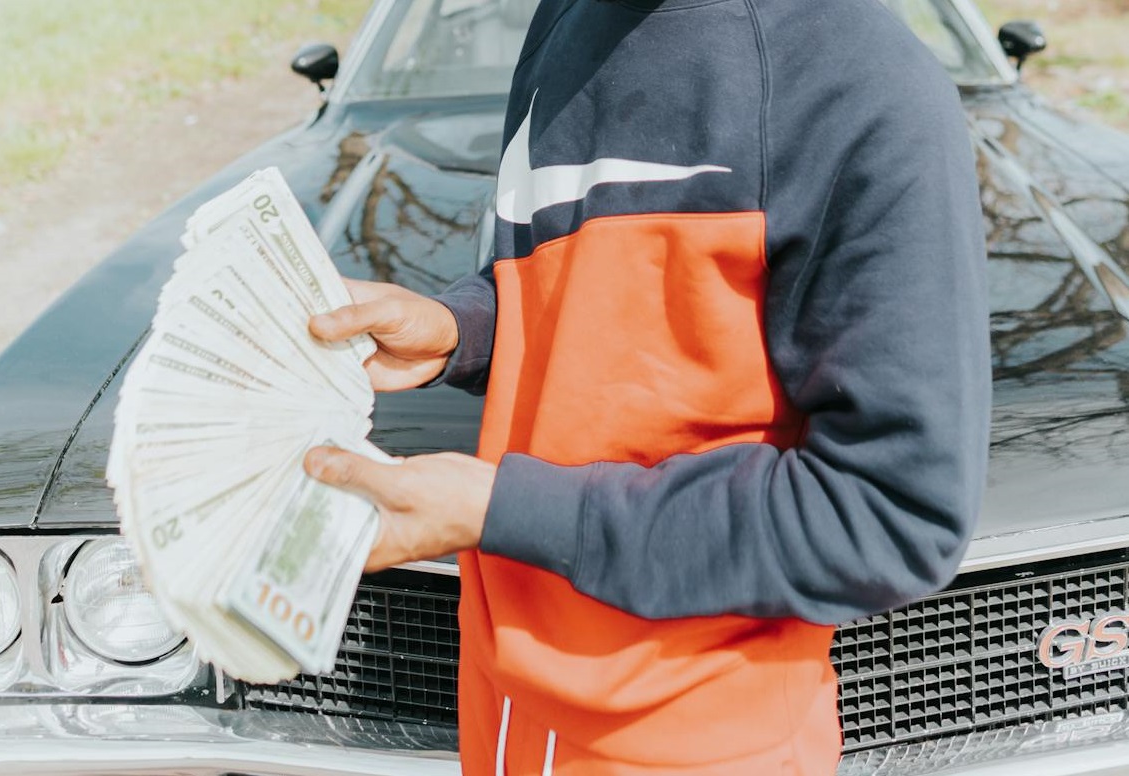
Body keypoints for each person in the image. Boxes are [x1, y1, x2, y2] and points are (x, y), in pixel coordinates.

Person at [304, 0, 991, 771]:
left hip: (694, 740)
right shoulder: (564, 19)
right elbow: (625, 300)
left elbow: (891, 515)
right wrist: (462, 328)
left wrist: (499, 509)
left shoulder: (863, 74)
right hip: (502, 705)